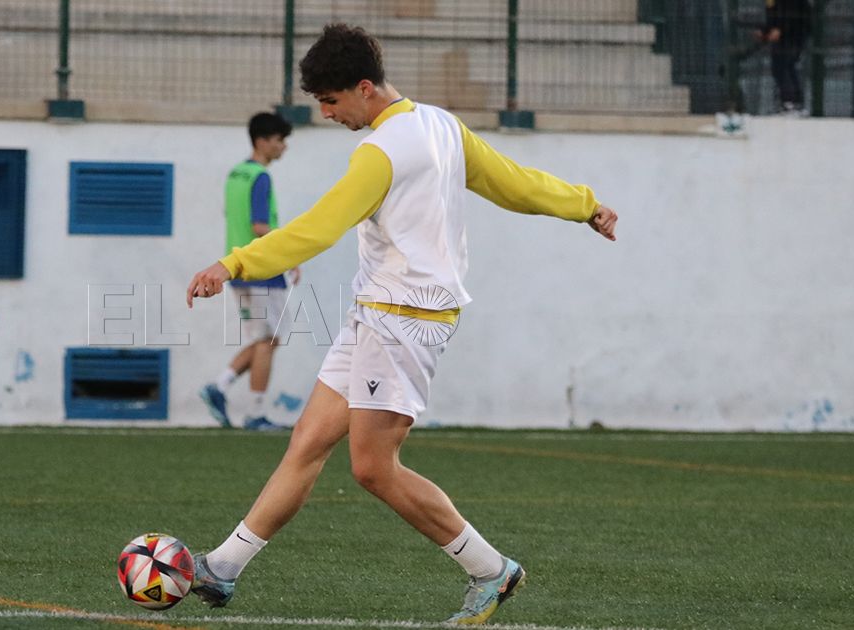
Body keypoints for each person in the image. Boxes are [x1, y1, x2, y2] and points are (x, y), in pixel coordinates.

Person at [185, 23, 618, 625]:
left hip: (404, 321)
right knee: (308, 441)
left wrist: (232, 263)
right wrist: (583, 204)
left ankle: (490, 570)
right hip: (377, 313)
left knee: (372, 467)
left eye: (331, 101)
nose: (327, 114)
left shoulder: (381, 151)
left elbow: (317, 229)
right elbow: (513, 183)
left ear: (364, 88)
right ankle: (222, 567)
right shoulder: (442, 125)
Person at [199, 112, 300, 431]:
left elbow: (233, 217)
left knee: (263, 339)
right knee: (268, 340)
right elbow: (259, 226)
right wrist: (290, 254)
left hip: (237, 268)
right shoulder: (260, 176)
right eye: (279, 140)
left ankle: (220, 386)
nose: (283, 147)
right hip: (262, 270)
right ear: (262, 141)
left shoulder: (236, 174)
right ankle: (255, 413)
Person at [760, 0, 813, 115]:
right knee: (783, 66)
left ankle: (791, 102)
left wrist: (780, 29)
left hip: (794, 34)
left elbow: (793, 13)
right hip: (785, 36)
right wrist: (765, 31)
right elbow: (773, 15)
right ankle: (794, 102)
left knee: (784, 65)